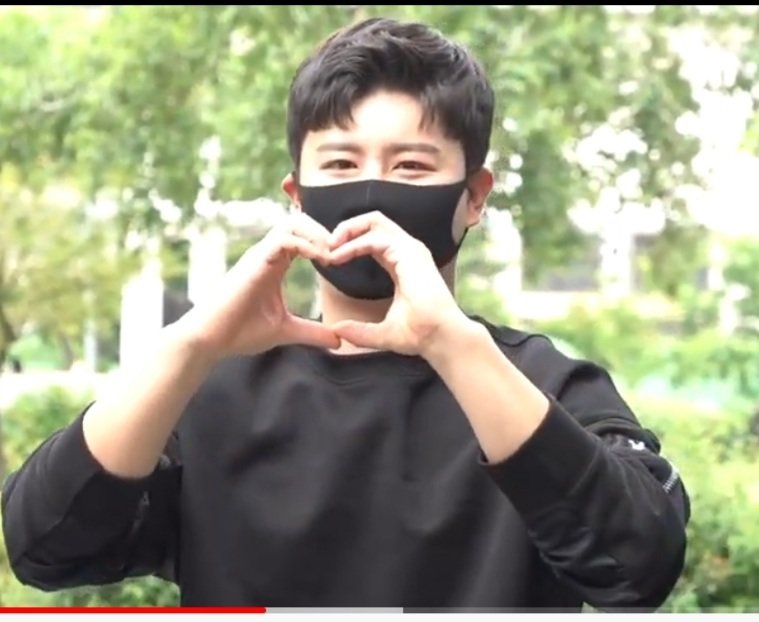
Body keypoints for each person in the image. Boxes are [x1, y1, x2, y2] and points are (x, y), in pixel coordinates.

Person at [1, 17, 689, 611]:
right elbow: (44, 545)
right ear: (296, 196)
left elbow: (639, 565)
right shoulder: (210, 389)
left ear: (474, 196)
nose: (371, 192)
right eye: (339, 163)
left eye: (411, 166)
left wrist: (454, 346)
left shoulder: (545, 386)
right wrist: (191, 346)